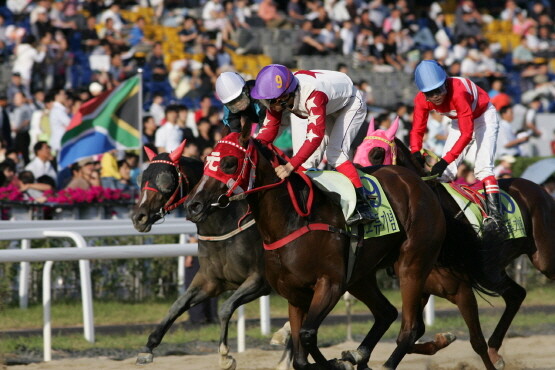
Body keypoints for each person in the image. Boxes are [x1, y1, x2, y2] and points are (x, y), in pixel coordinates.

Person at [251, 64, 375, 226]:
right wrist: (251, 148)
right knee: (309, 161)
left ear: (283, 98)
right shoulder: (283, 93)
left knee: (335, 154)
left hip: (350, 104)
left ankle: (363, 205)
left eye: (268, 101)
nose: (265, 104)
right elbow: (269, 130)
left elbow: (314, 138)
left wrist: (290, 166)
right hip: (330, 104)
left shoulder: (313, 95)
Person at [410, 59, 504, 230]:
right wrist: (416, 151)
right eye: (430, 93)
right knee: (444, 174)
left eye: (438, 89)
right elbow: (417, 129)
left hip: (484, 118)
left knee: (483, 168)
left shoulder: (458, 92)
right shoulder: (421, 100)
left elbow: (467, 134)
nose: (436, 96)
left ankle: (497, 219)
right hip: (458, 120)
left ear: (445, 82)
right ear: (423, 93)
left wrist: (446, 159)